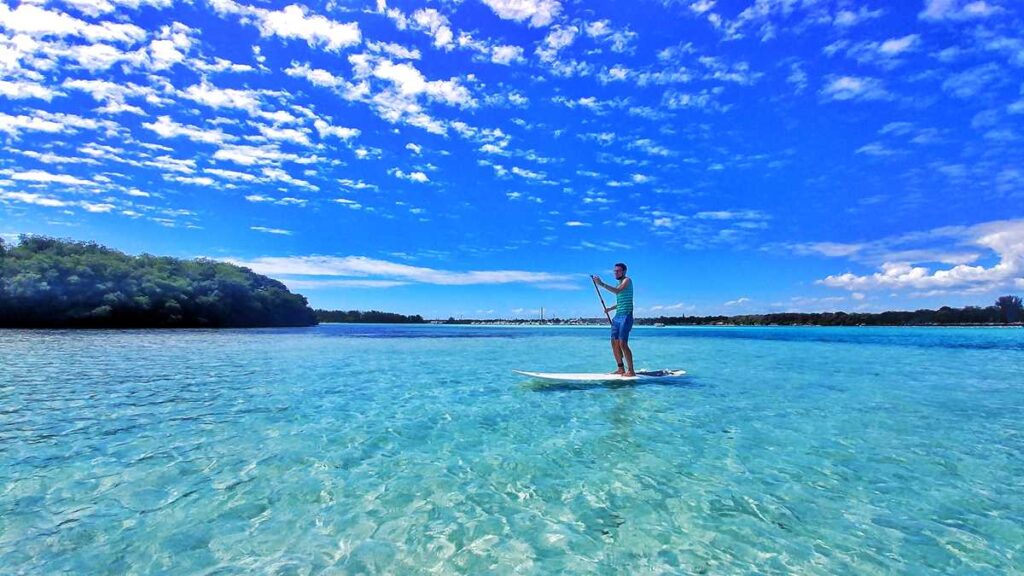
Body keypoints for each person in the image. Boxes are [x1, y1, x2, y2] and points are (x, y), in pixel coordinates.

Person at [591, 263, 634, 376]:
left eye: (618, 271)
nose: (616, 273)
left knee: (623, 343)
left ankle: (631, 371)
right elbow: (621, 300)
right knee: (614, 343)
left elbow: (618, 291)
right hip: (618, 316)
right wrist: (610, 308)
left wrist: (601, 284)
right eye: (615, 271)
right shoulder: (618, 283)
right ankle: (621, 368)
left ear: (624, 271)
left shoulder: (627, 281)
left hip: (626, 316)